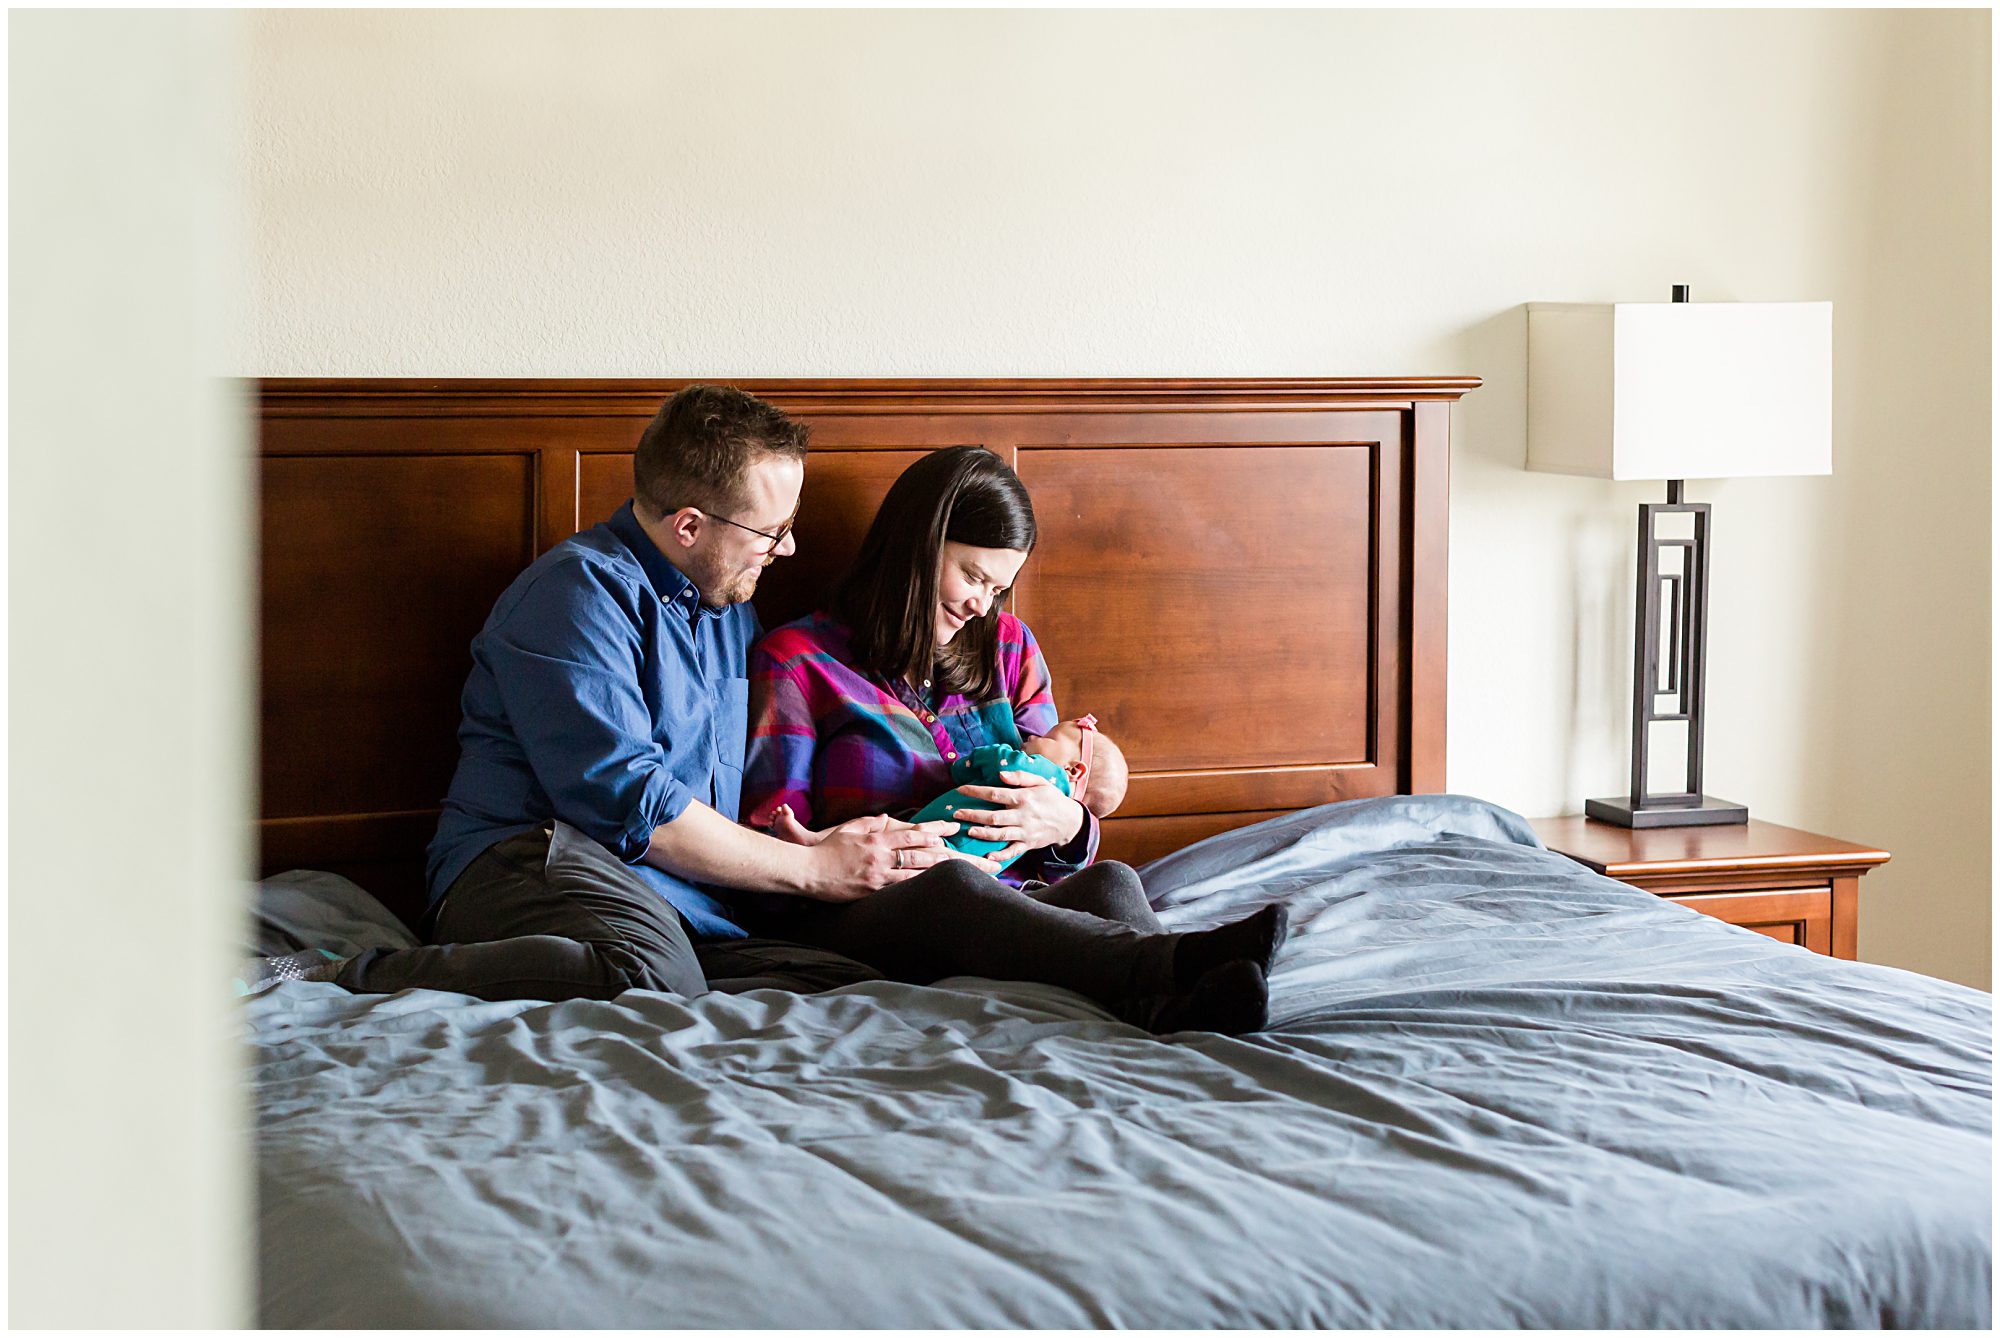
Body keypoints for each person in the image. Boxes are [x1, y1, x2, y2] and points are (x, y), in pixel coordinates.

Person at [241, 384, 962, 1001]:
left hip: (670, 890)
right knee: (650, 976)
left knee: (836, 981)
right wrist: (808, 871)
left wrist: (807, 842)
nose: (789, 550)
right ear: (688, 526)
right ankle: (356, 975)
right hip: (528, 861)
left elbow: (713, 793)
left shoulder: (731, 606)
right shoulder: (576, 591)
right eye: (773, 532)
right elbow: (630, 804)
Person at [742, 446, 1286, 1035]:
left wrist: (1068, 826)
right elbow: (775, 849)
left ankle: (1178, 1001)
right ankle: (1176, 966)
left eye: (997, 588)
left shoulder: (1007, 645)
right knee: (954, 883)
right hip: (870, 905)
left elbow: (1059, 785)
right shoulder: (798, 661)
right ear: (916, 549)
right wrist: (845, 846)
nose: (981, 604)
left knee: (1113, 880)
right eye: (972, 575)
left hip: (1013, 899)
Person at [905, 716, 1130, 871]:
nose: (1031, 737)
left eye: (1046, 738)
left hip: (951, 841)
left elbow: (1003, 762)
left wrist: (967, 765)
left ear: (1073, 770)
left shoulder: (1047, 775)